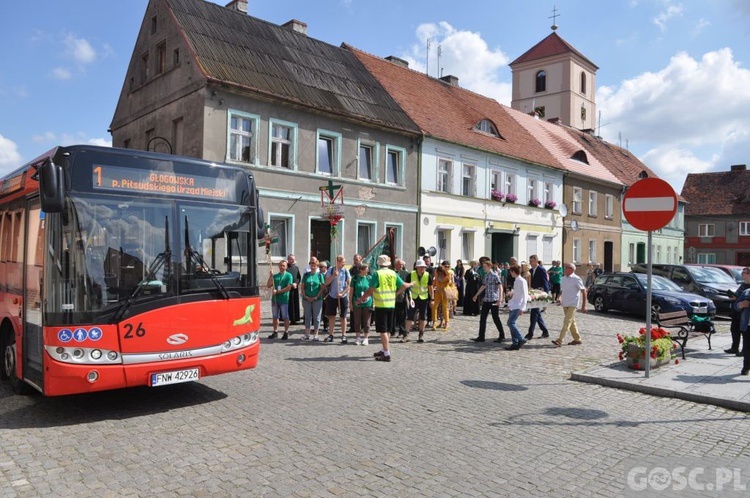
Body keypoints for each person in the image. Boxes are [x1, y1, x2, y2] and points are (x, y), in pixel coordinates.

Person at [357, 254, 412, 362]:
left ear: (379, 264)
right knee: (387, 330)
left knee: (383, 330)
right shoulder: (393, 273)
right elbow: (404, 285)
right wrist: (397, 293)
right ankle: (384, 349)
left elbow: (370, 290)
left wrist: (361, 299)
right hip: (391, 304)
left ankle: (386, 353)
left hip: (381, 304)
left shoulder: (377, 274)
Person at [552, 262, 587, 347]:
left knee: (567, 322)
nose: (565, 269)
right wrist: (559, 298)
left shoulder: (576, 279)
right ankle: (577, 339)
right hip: (565, 303)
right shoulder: (563, 278)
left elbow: (584, 291)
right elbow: (562, 290)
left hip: (573, 303)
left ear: (571, 269)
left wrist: (583, 305)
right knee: (572, 322)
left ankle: (560, 340)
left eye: (566, 267)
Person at [471, 259, 506, 343]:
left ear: (490, 266)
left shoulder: (495, 275)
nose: (484, 269)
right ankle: (481, 336)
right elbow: (483, 286)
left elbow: (500, 287)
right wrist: (476, 295)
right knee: (482, 318)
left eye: (485, 267)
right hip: (486, 299)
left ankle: (502, 335)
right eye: (483, 267)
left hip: (494, 300)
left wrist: (500, 299)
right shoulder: (486, 276)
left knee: (495, 318)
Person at [404, 259, 434, 343]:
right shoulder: (411, 274)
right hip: (413, 298)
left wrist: (432, 299)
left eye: (423, 267)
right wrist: (407, 296)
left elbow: (431, 288)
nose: (422, 269)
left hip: (423, 298)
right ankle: (406, 335)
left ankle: (421, 335)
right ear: (416, 267)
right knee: (409, 316)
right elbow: (406, 286)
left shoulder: (428, 275)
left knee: (423, 317)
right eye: (420, 267)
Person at [324, 255, 351, 343]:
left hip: (342, 296)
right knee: (331, 316)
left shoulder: (346, 271)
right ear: (338, 262)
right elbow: (326, 282)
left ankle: (344, 335)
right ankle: (331, 334)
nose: (344, 263)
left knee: (343, 316)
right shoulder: (331, 270)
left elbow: (348, 285)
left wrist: (342, 293)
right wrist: (333, 276)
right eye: (343, 262)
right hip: (332, 296)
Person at [729, 268, 750, 375]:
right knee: (747, 348)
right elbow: (736, 305)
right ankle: (746, 366)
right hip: (748, 324)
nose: (742, 275)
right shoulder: (746, 292)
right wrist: (741, 305)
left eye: (744, 273)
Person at [300, 257, 326, 341]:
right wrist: (305, 296)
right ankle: (307, 334)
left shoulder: (319, 275)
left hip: (317, 299)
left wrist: (317, 296)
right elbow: (302, 287)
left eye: (314, 265)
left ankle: (316, 334)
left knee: (317, 317)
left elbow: (322, 288)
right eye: (311, 265)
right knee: (307, 316)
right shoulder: (306, 275)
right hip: (306, 298)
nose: (313, 266)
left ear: (317, 266)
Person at [525, 254, 550, 340]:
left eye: (531, 261)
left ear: (536, 261)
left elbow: (545, 282)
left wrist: (545, 294)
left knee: (534, 313)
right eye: (530, 261)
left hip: (539, 294)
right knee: (536, 314)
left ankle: (530, 333)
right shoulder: (531, 270)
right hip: (533, 294)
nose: (530, 263)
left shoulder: (541, 270)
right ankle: (545, 331)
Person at [267, 260, 293, 339]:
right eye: (280, 265)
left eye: (283, 266)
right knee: (275, 316)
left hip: (284, 299)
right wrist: (271, 276)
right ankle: (275, 331)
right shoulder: (276, 276)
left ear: (286, 267)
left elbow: (288, 288)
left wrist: (278, 292)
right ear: (278, 266)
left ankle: (286, 332)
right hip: (275, 300)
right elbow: (268, 285)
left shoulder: (289, 276)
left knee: (285, 316)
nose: (282, 267)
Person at [505, 264, 528, 350]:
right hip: (514, 305)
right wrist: (510, 304)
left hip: (518, 305)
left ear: (513, 272)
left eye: (511, 272)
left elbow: (525, 295)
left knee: (510, 323)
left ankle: (521, 338)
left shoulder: (522, 281)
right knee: (511, 324)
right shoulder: (516, 281)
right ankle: (515, 343)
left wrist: (522, 307)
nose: (510, 273)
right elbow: (516, 295)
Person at [349, 262, 373, 345]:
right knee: (357, 321)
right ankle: (358, 337)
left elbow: (372, 291)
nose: (368, 270)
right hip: (357, 302)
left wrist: (374, 302)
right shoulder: (355, 278)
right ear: (361, 270)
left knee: (367, 321)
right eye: (366, 269)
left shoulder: (370, 278)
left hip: (368, 302)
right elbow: (351, 292)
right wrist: (350, 303)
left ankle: (366, 338)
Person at [432, 261, 456, 330]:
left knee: (445, 307)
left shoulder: (448, 273)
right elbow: (435, 281)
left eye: (448, 267)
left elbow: (450, 282)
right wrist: (432, 287)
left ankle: (447, 322)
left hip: (445, 291)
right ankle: (434, 322)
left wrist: (447, 276)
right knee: (435, 306)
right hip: (438, 291)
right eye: (445, 266)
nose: (447, 268)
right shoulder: (437, 272)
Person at [393, 258, 410, 338]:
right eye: (399, 264)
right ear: (395, 265)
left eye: (402, 265)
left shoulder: (405, 273)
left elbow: (407, 284)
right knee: (392, 315)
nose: (401, 266)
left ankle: (402, 331)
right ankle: (391, 331)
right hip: (392, 297)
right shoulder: (392, 273)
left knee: (402, 315)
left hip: (402, 297)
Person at [286, 254, 301, 325]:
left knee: (295, 303)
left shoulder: (296, 268)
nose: (292, 260)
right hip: (288, 288)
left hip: (295, 288)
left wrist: (296, 283)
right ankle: (287, 318)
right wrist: (291, 284)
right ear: (288, 259)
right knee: (288, 304)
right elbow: (285, 277)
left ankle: (294, 319)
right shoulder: (286, 267)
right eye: (291, 259)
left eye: (293, 259)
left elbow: (298, 277)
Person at [317, 260, 330, 336]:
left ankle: (326, 326)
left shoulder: (328, 275)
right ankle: (317, 326)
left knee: (326, 311)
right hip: (319, 295)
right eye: (319, 267)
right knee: (319, 311)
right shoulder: (318, 275)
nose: (320, 268)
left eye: (321, 267)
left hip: (327, 295)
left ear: (325, 267)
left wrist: (327, 294)